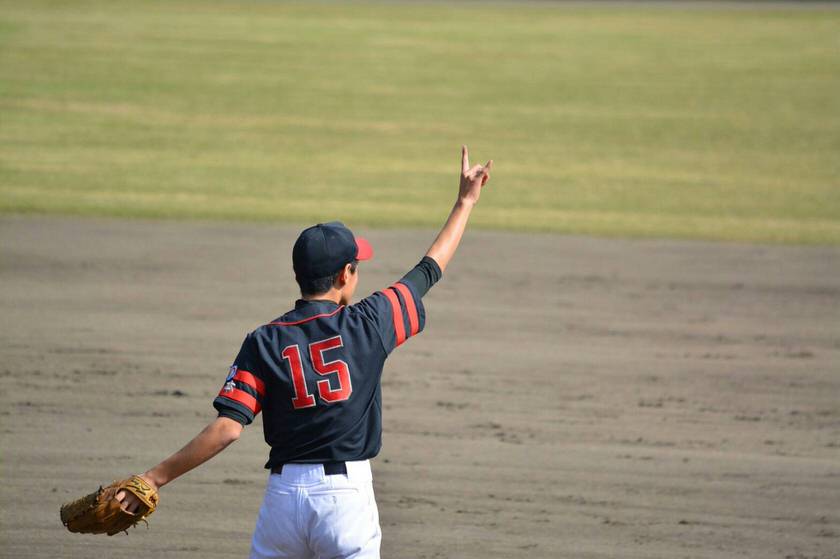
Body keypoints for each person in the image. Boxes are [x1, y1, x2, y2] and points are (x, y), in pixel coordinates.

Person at [116, 146, 493, 558]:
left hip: (284, 501)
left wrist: (154, 478)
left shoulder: (264, 339)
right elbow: (429, 269)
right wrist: (465, 201)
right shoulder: (370, 322)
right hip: (345, 501)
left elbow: (228, 428)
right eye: (356, 265)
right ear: (345, 275)